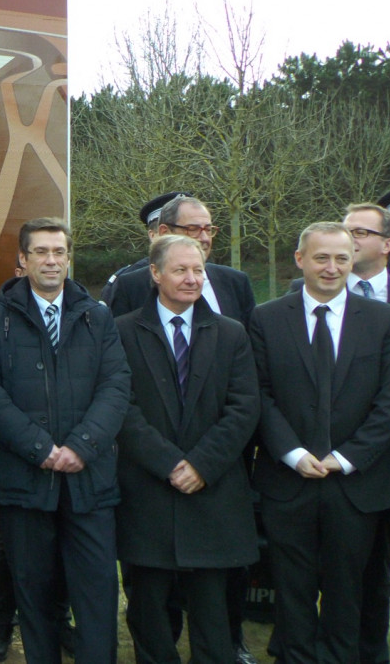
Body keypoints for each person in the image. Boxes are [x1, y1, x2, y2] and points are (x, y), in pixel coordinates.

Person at [0, 217, 131, 664]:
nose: (51, 261)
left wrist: (81, 445)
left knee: (96, 595)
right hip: (24, 483)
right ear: (22, 259)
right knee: (34, 596)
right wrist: (40, 449)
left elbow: (116, 385)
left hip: (89, 482)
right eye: (41, 251)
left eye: (59, 252)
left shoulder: (97, 316)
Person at [248, 222, 390, 663]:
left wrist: (346, 458)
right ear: (300, 259)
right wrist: (294, 453)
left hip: (358, 485)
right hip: (288, 481)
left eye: (342, 258)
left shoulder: (385, 321)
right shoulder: (265, 319)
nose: (332, 267)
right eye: (321, 257)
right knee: (292, 589)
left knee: (350, 591)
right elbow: (257, 395)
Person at [114, 234, 260, 664]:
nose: (192, 279)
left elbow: (244, 407)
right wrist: (168, 463)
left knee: (214, 620)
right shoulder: (121, 332)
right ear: (155, 274)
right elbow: (121, 406)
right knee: (149, 614)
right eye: (180, 270)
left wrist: (200, 464)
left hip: (212, 494)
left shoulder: (231, 333)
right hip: (148, 493)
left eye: (198, 270)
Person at [106, 195, 256, 327]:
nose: (204, 238)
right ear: (164, 232)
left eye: (208, 229)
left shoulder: (235, 282)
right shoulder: (131, 286)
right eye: (192, 229)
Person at [99, 191, 190, 308]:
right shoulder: (127, 283)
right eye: (171, 232)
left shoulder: (214, 277)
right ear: (153, 235)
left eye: (191, 230)